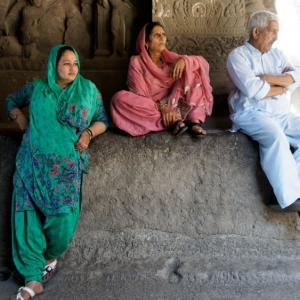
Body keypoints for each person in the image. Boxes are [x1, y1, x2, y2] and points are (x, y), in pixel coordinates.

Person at [5, 44, 108, 300]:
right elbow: (10, 99)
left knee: (63, 220)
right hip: (31, 164)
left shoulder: (88, 90)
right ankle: (32, 278)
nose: (72, 68)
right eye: (66, 63)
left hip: (66, 169)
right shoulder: (38, 87)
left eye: (75, 63)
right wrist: (19, 118)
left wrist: (88, 133)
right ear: (54, 65)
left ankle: (50, 256)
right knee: (26, 219)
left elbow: (103, 120)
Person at [226, 10, 300, 211]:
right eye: (273, 31)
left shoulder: (277, 54)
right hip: (251, 114)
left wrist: (267, 78)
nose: (276, 37)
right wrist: (283, 86)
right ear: (256, 31)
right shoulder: (237, 56)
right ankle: (289, 198)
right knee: (276, 136)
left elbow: (297, 76)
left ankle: (292, 189)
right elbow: (253, 90)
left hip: (282, 114)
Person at [110, 21, 213, 137]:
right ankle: (172, 121)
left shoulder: (171, 61)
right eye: (156, 35)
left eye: (163, 34)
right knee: (118, 99)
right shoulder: (137, 62)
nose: (162, 37)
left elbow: (202, 63)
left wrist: (184, 60)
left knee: (193, 72)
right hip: (150, 108)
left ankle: (194, 121)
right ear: (146, 42)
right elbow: (141, 96)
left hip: (175, 104)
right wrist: (162, 108)